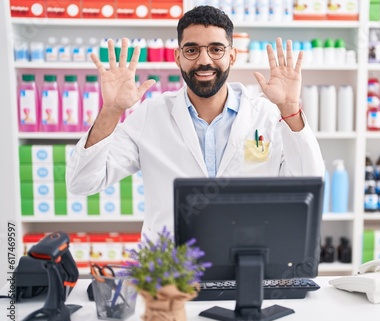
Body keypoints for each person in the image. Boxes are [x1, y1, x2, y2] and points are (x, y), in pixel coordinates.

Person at [66, 5, 324, 237]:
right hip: (170, 270)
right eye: (192, 50)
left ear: (232, 56)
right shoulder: (150, 115)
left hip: (246, 258)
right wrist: (111, 110)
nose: (204, 60)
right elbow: (82, 182)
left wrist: (290, 109)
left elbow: (310, 184)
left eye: (216, 49)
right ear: (178, 56)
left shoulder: (266, 115)